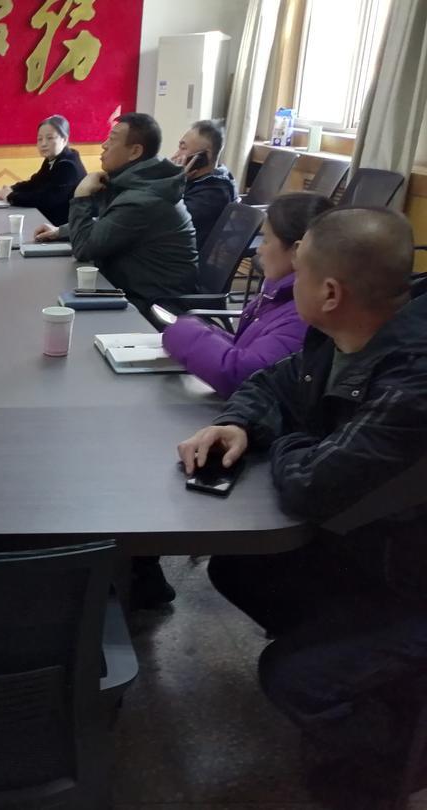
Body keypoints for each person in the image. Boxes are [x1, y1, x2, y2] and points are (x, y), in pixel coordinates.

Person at [177, 207, 427, 806]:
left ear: (330, 292)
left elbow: (313, 485)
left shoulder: (415, 379)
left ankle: (391, 760)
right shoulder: (340, 332)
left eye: (300, 272)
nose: (287, 282)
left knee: (294, 678)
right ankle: (374, 677)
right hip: (376, 547)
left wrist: (291, 439)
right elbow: (272, 384)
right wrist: (239, 423)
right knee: (239, 568)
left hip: (413, 581)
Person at [162, 192, 334, 399]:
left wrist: (181, 329)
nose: (259, 250)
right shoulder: (278, 293)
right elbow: (251, 348)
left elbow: (243, 375)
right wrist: (209, 332)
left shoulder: (304, 311)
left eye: (266, 240)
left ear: (297, 250)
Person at [34, 113, 198, 315]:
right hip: (130, 289)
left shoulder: (144, 199)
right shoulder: (139, 183)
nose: (104, 145)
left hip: (153, 305)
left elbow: (84, 249)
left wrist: (81, 196)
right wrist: (60, 231)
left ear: (135, 151)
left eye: (111, 140)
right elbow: (110, 223)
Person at [0, 115, 86, 226]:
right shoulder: (53, 159)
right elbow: (35, 183)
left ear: (64, 140)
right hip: (50, 220)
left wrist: (10, 196)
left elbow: (46, 199)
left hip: (67, 227)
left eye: (50, 138)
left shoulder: (68, 166)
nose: (43, 143)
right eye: (39, 139)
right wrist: (10, 189)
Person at [170, 120, 237, 250]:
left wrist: (174, 184)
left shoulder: (213, 194)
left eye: (183, 148)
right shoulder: (199, 181)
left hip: (179, 257)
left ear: (204, 156)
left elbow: (167, 222)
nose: (176, 155)